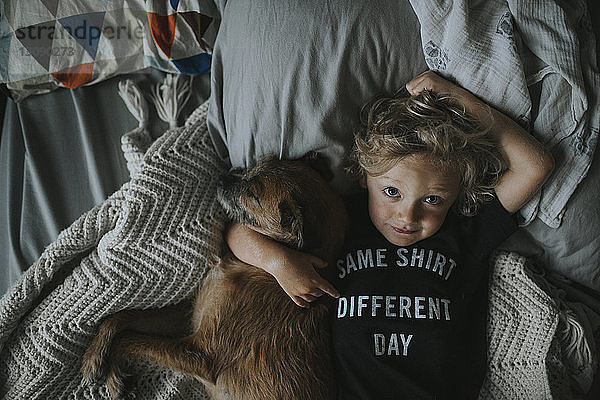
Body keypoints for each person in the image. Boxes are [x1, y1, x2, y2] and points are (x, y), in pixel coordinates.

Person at [225, 71, 555, 399]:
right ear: (365, 176)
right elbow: (239, 233)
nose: (408, 216)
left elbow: (535, 165)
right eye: (392, 191)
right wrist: (278, 261)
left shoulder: (465, 232)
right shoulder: (342, 225)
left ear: (456, 196)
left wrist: (457, 99)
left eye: (433, 200)